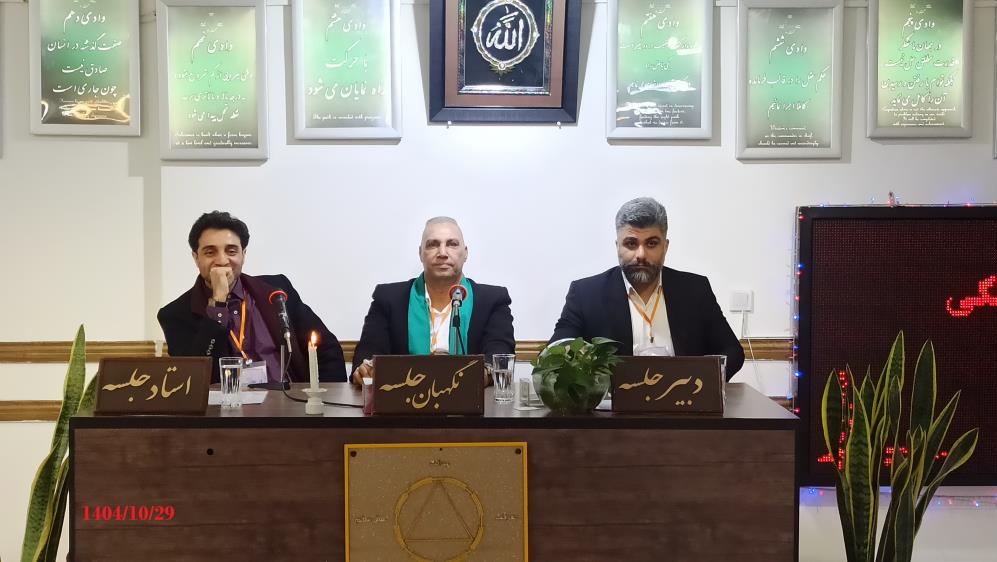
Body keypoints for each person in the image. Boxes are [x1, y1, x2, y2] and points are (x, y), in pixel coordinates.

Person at [549, 197, 744, 379]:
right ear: (617, 246)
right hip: (614, 403)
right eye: (631, 243)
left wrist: (699, 384)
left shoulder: (695, 289)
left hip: (682, 400)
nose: (641, 254)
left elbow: (732, 351)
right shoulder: (585, 294)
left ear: (665, 246)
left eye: (651, 243)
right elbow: (556, 352)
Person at [158, 211, 346, 383]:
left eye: (231, 251)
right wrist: (218, 304)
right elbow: (193, 377)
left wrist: (325, 400)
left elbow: (327, 349)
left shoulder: (276, 291)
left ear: (244, 254)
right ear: (195, 257)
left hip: (289, 402)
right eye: (210, 252)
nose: (222, 260)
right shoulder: (175, 314)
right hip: (226, 407)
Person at [351, 217, 515, 384]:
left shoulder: (492, 300)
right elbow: (368, 354)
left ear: (465, 253)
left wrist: (481, 374)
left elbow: (499, 356)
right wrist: (365, 370)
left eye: (452, 244)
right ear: (420, 253)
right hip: (405, 397)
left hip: (472, 397)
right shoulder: (389, 299)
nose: (442, 253)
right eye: (433, 244)